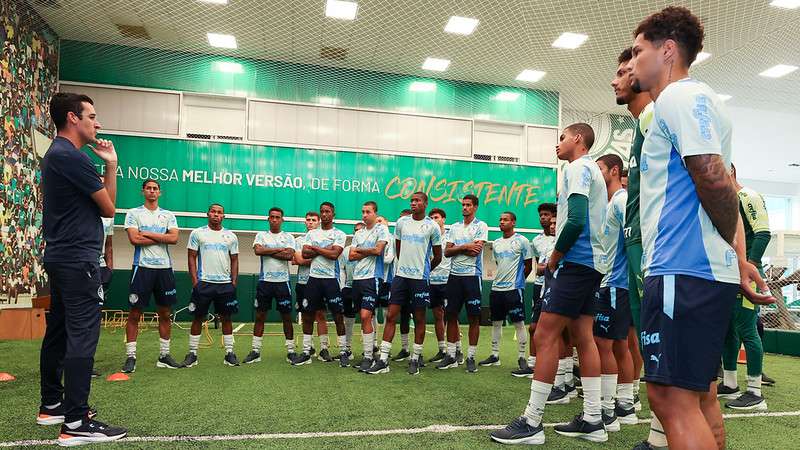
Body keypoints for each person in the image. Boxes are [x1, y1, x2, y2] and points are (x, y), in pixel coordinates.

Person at [630, 7, 773, 449]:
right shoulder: (691, 101)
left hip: (682, 269)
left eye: (638, 51)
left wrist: (734, 256)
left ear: (667, 50)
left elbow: (713, 177)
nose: (632, 62)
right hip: (697, 272)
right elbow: (721, 181)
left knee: (671, 400)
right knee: (697, 397)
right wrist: (739, 258)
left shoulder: (679, 97)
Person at [492, 123, 608, 444]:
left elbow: (576, 219)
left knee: (544, 335)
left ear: (578, 140)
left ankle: (531, 422)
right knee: (584, 337)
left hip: (577, 262)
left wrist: (555, 255)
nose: (557, 144)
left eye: (561, 138)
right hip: (592, 264)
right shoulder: (588, 170)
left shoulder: (578, 168)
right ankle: (593, 419)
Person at [38, 92, 127, 444]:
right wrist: (111, 166)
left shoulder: (57, 154)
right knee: (82, 336)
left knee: (59, 331)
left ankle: (52, 405)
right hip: (78, 260)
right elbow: (109, 209)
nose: (97, 122)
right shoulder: (70, 157)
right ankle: (75, 423)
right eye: (91, 116)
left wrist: (107, 163)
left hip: (62, 257)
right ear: (73, 118)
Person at [613, 46, 654, 444]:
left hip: (657, 253)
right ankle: (659, 434)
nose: (615, 79)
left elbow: (711, 182)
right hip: (636, 249)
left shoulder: (659, 117)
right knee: (647, 339)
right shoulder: (641, 127)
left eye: (625, 71)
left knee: (660, 345)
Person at [367, 192, 442, 375]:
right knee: (391, 315)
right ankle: (383, 360)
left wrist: (423, 271)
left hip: (420, 280)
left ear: (425, 203)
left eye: (417, 201)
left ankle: (415, 359)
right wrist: (405, 268)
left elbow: (438, 256)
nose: (414, 203)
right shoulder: (401, 223)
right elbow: (398, 249)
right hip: (400, 278)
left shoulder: (432, 227)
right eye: (412, 201)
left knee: (419, 318)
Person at [718, 164, 771, 410]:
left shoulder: (746, 195)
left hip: (746, 272)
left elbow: (763, 233)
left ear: (731, 171)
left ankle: (755, 392)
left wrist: (749, 268)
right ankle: (730, 384)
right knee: (729, 328)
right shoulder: (724, 201)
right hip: (729, 273)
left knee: (747, 329)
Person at [593, 154, 638, 431]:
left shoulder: (621, 200)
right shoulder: (609, 203)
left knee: (604, 344)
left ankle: (608, 411)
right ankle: (625, 405)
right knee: (620, 345)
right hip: (612, 284)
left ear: (614, 170)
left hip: (615, 284)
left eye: (599, 169)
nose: (595, 174)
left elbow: (634, 237)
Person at [121, 179, 181, 373]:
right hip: (142, 268)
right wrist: (160, 236)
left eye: (155, 189)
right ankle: (131, 357)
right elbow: (134, 239)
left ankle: (164, 355)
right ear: (143, 191)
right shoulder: (133, 214)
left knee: (165, 313)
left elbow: (174, 238)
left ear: (160, 193)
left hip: (164, 269)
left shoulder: (168, 215)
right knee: (135, 313)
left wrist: (146, 233)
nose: (152, 191)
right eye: (149, 188)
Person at [181, 204, 240, 368]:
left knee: (227, 318)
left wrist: (233, 282)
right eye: (213, 211)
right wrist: (195, 281)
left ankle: (229, 353)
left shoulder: (231, 236)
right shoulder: (197, 233)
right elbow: (191, 257)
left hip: (225, 285)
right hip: (204, 283)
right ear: (207, 214)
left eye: (219, 212)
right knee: (198, 318)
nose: (216, 214)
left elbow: (234, 259)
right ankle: (192, 353)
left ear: (224, 216)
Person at [294, 202, 349, 367]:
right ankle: (306, 352)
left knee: (338, 315)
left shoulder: (339, 234)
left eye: (327, 212)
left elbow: (335, 255)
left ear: (333, 214)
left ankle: (343, 352)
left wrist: (316, 249)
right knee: (308, 315)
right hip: (313, 280)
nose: (324, 214)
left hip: (331, 280)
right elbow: (305, 253)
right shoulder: (312, 234)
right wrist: (325, 248)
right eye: (322, 212)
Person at [438, 194, 489, 373]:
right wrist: (464, 246)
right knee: (451, 315)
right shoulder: (455, 227)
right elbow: (447, 252)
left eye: (468, 205)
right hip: (454, 276)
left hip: (472, 277)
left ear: (475, 207)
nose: (464, 208)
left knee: (474, 318)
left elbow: (476, 251)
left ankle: (471, 357)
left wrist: (458, 248)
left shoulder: (481, 226)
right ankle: (451, 356)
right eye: (463, 205)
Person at [243, 207, 297, 364]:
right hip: (265, 283)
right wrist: (279, 249)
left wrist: (269, 250)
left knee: (286, 317)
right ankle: (255, 351)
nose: (274, 219)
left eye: (277, 217)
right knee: (260, 316)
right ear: (268, 219)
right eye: (272, 217)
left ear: (282, 220)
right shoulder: (261, 235)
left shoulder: (288, 237)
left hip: (283, 283)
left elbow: (289, 255)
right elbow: (258, 251)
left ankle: (291, 351)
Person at [480, 212, 532, 370]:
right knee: (496, 323)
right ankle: (495, 355)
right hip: (496, 289)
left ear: (513, 222)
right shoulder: (496, 243)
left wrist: (518, 282)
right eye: (500, 220)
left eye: (505, 220)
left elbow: (528, 265)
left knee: (519, 323)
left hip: (514, 290)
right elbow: (498, 263)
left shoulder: (522, 241)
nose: (502, 222)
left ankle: (522, 357)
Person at [513, 203, 556, 378]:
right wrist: (543, 268)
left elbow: (547, 266)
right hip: (540, 285)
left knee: (557, 330)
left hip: (556, 286)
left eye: (546, 215)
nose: (543, 218)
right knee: (533, 327)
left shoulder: (560, 237)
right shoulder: (536, 241)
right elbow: (538, 266)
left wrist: (545, 268)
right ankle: (532, 364)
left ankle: (563, 369)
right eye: (541, 215)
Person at [349, 203, 390, 372]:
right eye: (363, 212)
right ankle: (369, 354)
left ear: (375, 213)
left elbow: (378, 250)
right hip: (357, 279)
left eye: (368, 212)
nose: (364, 215)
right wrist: (368, 250)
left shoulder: (381, 230)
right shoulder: (358, 233)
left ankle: (368, 356)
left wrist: (361, 250)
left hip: (372, 278)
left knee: (366, 316)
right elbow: (351, 255)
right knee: (363, 316)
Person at [292, 212, 327, 358]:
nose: (310, 222)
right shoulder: (299, 240)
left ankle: (324, 348)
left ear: (318, 222)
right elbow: (298, 260)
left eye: (313, 220)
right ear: (304, 222)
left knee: (320, 315)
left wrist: (310, 256)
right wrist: (320, 255)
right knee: (306, 316)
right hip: (303, 282)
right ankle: (309, 347)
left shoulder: (324, 238)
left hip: (319, 281)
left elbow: (330, 257)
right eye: (308, 220)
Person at [427, 208, 451, 363]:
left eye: (436, 217)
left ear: (443, 219)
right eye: (431, 218)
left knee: (451, 316)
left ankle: (456, 350)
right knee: (438, 315)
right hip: (433, 281)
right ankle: (442, 349)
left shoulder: (450, 237)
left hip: (448, 280)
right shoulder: (428, 238)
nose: (433, 220)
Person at [339, 222, 364, 361]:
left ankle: (370, 350)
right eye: (356, 231)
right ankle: (347, 349)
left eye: (361, 230)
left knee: (367, 317)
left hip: (364, 287)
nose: (358, 233)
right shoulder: (346, 250)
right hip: (348, 288)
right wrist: (343, 287)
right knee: (348, 319)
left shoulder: (369, 248)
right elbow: (342, 268)